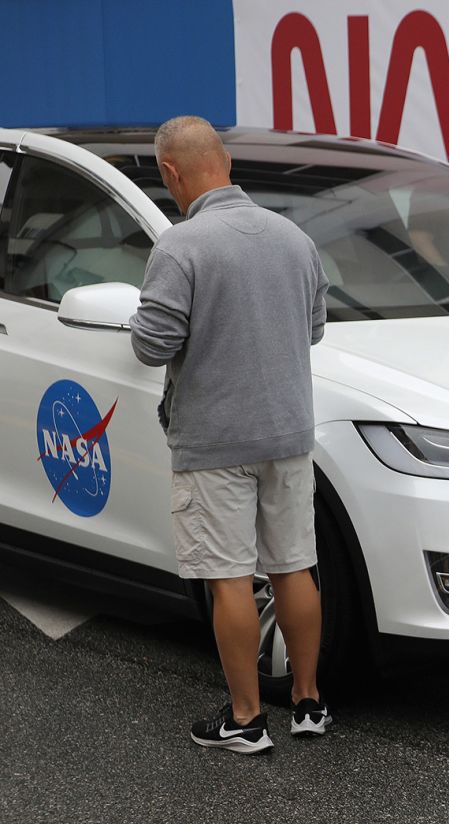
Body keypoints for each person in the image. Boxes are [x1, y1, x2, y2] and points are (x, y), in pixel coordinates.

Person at [129, 116, 332, 753]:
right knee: (296, 566)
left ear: (171, 172)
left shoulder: (181, 246)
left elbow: (151, 345)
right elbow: (315, 328)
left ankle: (245, 719)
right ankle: (308, 702)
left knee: (229, 578)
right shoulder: (293, 238)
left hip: (215, 441)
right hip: (289, 431)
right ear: (227, 162)